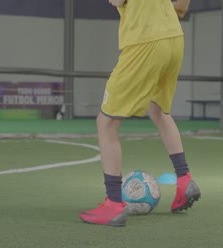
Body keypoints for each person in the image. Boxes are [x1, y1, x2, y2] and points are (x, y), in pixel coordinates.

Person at [80, 0, 201, 227]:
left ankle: (114, 205)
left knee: (106, 123)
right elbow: (181, 6)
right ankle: (184, 179)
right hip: (173, 38)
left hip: (145, 40)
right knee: (158, 110)